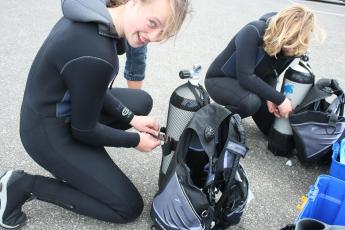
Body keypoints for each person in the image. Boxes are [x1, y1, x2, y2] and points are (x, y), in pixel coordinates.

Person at [0, 0, 189, 228]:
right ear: (134, 2)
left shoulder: (96, 14)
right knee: (128, 208)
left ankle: (83, 167)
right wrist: (135, 140)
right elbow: (85, 131)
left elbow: (91, 86)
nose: (154, 36)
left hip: (57, 111)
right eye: (153, 23)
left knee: (141, 102)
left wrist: (132, 118)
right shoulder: (96, 52)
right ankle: (21, 186)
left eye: (163, 33)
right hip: (46, 136)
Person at [205, 4, 319, 136]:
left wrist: (271, 97)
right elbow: (245, 77)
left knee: (273, 129)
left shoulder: (294, 46)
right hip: (220, 80)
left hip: (251, 84)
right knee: (250, 102)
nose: (290, 47)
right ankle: (211, 120)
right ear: (282, 31)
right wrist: (280, 99)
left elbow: (272, 73)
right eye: (289, 41)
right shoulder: (253, 30)